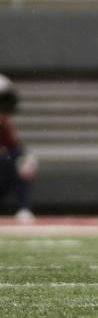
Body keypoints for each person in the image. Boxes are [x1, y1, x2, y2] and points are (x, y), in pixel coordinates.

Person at [0, 74, 37, 222]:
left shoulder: (4, 125)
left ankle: (24, 208)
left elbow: (14, 147)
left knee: (21, 161)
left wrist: (27, 158)